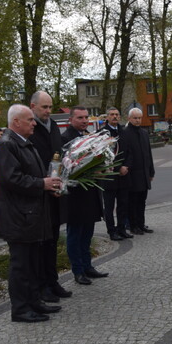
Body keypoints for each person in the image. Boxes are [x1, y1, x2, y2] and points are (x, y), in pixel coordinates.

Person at [0, 104, 63, 323]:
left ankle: (34, 302)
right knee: (21, 265)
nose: (34, 123)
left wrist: (49, 186)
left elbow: (35, 174)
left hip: (30, 214)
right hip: (18, 216)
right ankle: (21, 309)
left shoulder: (24, 143)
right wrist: (42, 184)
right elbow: (12, 179)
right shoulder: (7, 145)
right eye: (30, 120)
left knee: (33, 263)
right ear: (16, 122)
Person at [28, 91, 69, 303]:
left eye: (50, 107)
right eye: (44, 107)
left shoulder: (52, 126)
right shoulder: (30, 128)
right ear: (32, 106)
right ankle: (41, 285)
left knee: (53, 240)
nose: (48, 111)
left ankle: (53, 282)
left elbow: (58, 155)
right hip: (38, 192)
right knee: (41, 244)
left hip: (53, 189)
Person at [61, 106, 108, 285]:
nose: (84, 120)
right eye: (80, 117)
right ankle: (78, 270)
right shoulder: (65, 139)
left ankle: (88, 266)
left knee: (88, 233)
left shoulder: (89, 136)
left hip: (90, 193)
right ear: (71, 119)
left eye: (86, 117)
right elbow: (64, 166)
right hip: (75, 195)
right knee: (75, 234)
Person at [100, 107, 133, 241]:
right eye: (112, 114)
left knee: (123, 205)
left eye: (117, 114)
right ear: (107, 117)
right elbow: (100, 155)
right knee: (109, 207)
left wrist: (126, 166)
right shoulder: (102, 133)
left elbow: (130, 152)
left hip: (123, 175)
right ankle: (111, 231)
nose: (115, 117)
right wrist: (117, 167)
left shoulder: (124, 132)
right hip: (109, 176)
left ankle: (121, 228)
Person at [122, 107, 155, 235]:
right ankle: (133, 225)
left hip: (144, 172)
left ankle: (141, 224)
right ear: (129, 118)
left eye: (139, 118)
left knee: (142, 201)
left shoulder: (144, 133)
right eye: (135, 118)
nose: (137, 120)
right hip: (132, 173)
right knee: (133, 201)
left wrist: (151, 171)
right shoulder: (125, 133)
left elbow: (148, 154)